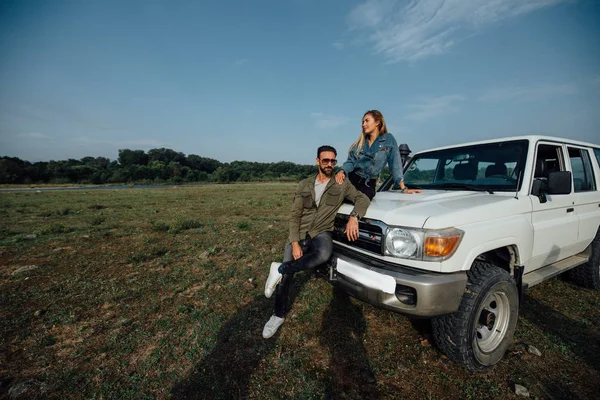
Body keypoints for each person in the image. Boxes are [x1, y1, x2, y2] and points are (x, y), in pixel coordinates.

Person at [262, 145, 370, 339]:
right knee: (286, 279)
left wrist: (355, 216)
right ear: (318, 161)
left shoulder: (341, 183)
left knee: (323, 254)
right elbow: (294, 216)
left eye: (333, 161)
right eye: (325, 160)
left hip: (321, 231)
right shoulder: (304, 185)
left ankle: (279, 269)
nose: (330, 164)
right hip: (301, 231)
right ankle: (277, 315)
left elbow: (361, 198)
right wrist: (295, 242)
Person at [335, 110, 421, 199]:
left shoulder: (388, 140)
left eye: (367, 121)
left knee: (362, 199)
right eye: (363, 122)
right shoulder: (359, 143)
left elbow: (395, 164)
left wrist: (403, 188)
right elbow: (350, 162)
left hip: (368, 184)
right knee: (333, 195)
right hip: (351, 179)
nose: (363, 124)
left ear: (377, 122)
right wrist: (342, 171)